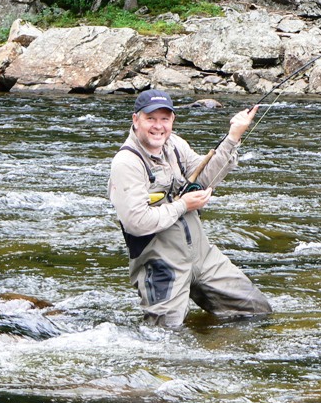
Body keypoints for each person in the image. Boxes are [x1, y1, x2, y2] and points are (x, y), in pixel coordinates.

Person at [108, 89, 272, 327]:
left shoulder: (174, 144)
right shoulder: (127, 163)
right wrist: (183, 205)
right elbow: (137, 222)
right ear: (136, 119)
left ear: (172, 120)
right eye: (150, 118)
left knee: (256, 312)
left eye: (164, 119)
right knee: (166, 336)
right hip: (162, 265)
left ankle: (212, 340)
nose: (158, 126)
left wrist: (233, 137)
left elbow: (205, 178)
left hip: (203, 257)